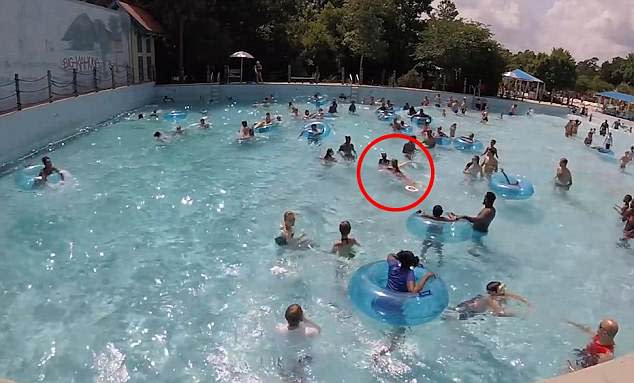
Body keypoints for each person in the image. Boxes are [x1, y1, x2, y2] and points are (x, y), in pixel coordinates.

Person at [275, 304, 320, 380]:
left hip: (287, 359)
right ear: (301, 318)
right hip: (302, 359)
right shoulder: (309, 332)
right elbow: (319, 329)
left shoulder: (280, 330)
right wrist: (306, 320)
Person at [451, 281, 530, 320]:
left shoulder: (497, 294)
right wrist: (519, 314)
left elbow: (515, 296)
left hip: (473, 303)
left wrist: (527, 303)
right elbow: (500, 313)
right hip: (468, 310)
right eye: (501, 289)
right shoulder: (489, 299)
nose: (504, 290)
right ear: (493, 292)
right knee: (451, 316)